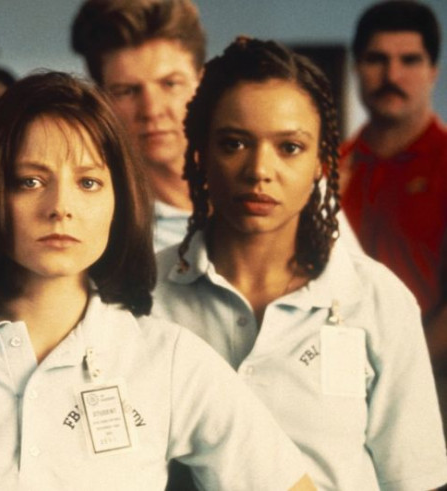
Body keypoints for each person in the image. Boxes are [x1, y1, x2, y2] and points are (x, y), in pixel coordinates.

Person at [0, 71, 315, 491]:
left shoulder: (166, 359)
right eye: (30, 181)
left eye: (89, 182)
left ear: (119, 201)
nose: (61, 206)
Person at [152, 37, 447, 490]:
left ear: (321, 163)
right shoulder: (144, 295)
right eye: (234, 143)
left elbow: (414, 479)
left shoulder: (377, 299)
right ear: (201, 155)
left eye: (289, 147)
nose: (259, 170)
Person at [339, 1, 447, 362]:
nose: (392, 75)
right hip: (338, 368)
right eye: (376, 59)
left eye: (410, 60)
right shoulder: (330, 169)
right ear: (356, 67)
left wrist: (404, 370)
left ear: (433, 71)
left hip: (432, 372)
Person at [71, 0, 204, 251]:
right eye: (127, 91)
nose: (151, 110)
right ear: (103, 101)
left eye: (170, 84)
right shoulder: (104, 237)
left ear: (203, 83)